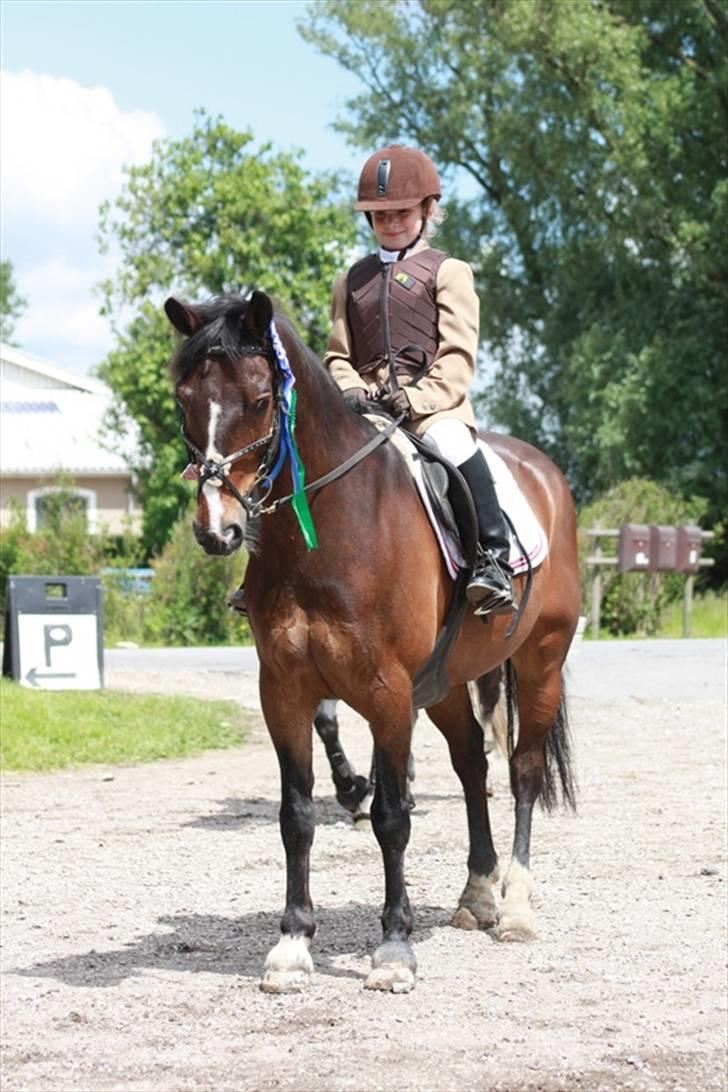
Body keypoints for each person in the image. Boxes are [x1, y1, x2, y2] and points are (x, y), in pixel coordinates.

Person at [322, 143, 515, 616]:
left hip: (432, 408)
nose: (390, 223)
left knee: (453, 445)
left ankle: (492, 558)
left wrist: (417, 398)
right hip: (367, 408)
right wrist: (351, 389)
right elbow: (338, 355)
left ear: (428, 210)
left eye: (402, 213)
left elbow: (457, 357)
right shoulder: (351, 280)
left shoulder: (449, 272)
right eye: (380, 215)